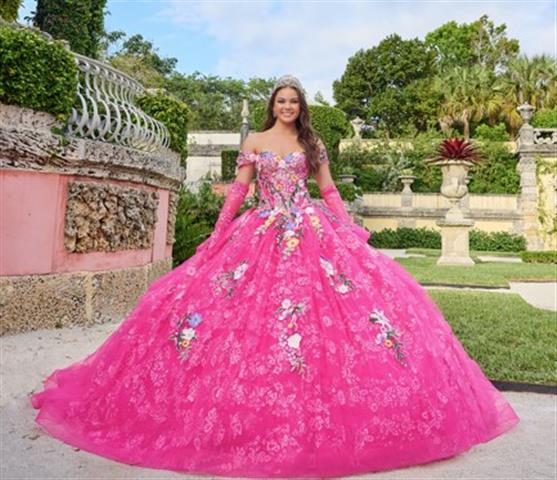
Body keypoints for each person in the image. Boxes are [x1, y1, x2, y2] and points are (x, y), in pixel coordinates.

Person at [30, 74, 520, 478]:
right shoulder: (255, 141)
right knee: (229, 313)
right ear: (273, 104)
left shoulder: (313, 142)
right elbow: (238, 191)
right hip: (262, 230)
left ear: (301, 106)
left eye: (294, 101)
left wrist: (348, 227)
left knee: (341, 316)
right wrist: (218, 234)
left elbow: (327, 190)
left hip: (309, 229)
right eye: (281, 100)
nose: (287, 106)